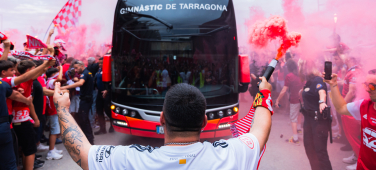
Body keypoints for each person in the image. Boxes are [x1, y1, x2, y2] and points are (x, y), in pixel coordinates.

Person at [53, 76, 273, 170]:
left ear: (162, 118)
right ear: (204, 121)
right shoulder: (231, 154)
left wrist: (61, 108)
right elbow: (260, 129)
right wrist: (264, 92)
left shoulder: (131, 160)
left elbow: (81, 152)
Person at [327, 69, 376, 170]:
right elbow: (341, 108)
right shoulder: (364, 105)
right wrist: (333, 85)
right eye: (365, 85)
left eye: (371, 86)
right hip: (362, 166)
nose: (367, 90)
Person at [300, 61, 333, 170]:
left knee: (320, 151)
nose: (302, 68)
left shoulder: (318, 79)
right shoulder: (308, 82)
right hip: (308, 120)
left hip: (318, 121)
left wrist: (322, 102)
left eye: (304, 66)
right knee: (309, 149)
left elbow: (322, 92)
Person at [60, 60, 95, 144]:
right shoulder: (87, 73)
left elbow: (81, 83)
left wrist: (65, 87)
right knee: (84, 119)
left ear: (82, 66)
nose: (75, 70)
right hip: (86, 99)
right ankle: (89, 138)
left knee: (84, 120)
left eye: (76, 68)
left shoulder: (85, 73)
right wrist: (78, 80)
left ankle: (89, 140)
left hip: (85, 100)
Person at [275, 59, 303, 145]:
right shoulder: (301, 74)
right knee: (299, 114)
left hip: (294, 100)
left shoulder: (289, 76)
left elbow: (284, 90)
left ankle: (295, 138)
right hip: (302, 99)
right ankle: (299, 131)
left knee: (293, 118)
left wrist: (277, 100)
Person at [45, 66, 65, 160]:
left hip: (54, 108)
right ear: (53, 74)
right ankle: (51, 152)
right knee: (54, 131)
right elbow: (60, 79)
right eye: (57, 72)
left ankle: (52, 149)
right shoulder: (51, 81)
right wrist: (61, 68)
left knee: (54, 130)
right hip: (53, 109)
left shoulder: (49, 81)